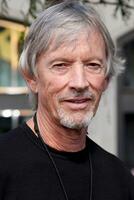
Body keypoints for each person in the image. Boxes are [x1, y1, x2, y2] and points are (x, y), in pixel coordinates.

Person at [0, 1, 134, 200]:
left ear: (106, 80)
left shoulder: (120, 179)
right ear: (31, 78)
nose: (79, 83)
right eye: (61, 65)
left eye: (92, 65)